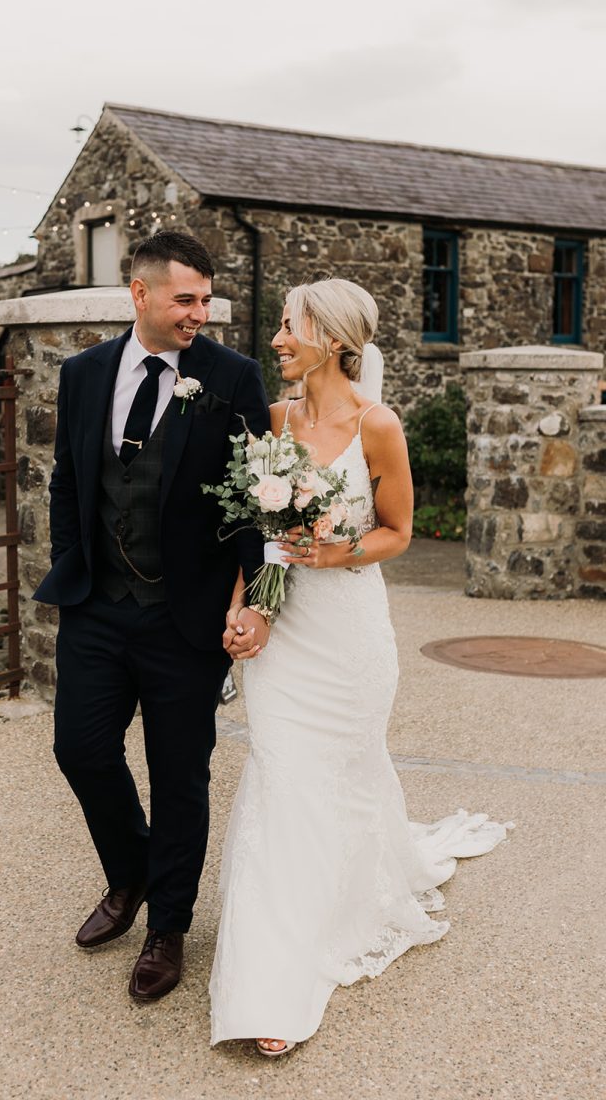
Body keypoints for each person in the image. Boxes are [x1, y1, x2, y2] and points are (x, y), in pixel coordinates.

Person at [211, 279, 511, 1057]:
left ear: (333, 337)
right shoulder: (270, 422)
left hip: (347, 638)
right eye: (278, 326)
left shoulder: (378, 426)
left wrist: (341, 548)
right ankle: (270, 977)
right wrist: (245, 608)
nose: (276, 340)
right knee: (283, 779)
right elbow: (255, 534)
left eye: (288, 327)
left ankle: (333, 922)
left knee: (339, 779)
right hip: (282, 642)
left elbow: (400, 531)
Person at [34, 231, 268, 1001]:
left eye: (206, 298)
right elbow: (68, 483)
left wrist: (252, 603)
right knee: (82, 750)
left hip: (184, 618)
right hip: (98, 608)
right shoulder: (83, 374)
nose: (201, 312)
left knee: (179, 778)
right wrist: (75, 564)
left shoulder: (232, 379)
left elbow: (256, 507)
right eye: (186, 299)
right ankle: (129, 874)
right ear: (141, 295)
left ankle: (168, 924)